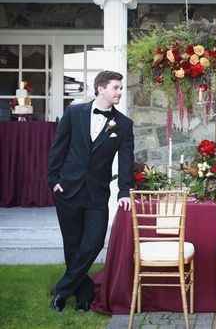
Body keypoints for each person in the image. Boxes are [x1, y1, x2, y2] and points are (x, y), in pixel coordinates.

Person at [48, 70, 134, 312]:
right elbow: (58, 148)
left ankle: (61, 291)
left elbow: (126, 161)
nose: (119, 92)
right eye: (116, 87)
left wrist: (124, 192)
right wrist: (54, 179)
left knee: (94, 242)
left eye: (120, 88)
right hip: (68, 189)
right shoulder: (74, 113)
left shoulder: (124, 125)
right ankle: (84, 293)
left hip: (97, 194)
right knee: (73, 245)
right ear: (101, 88)